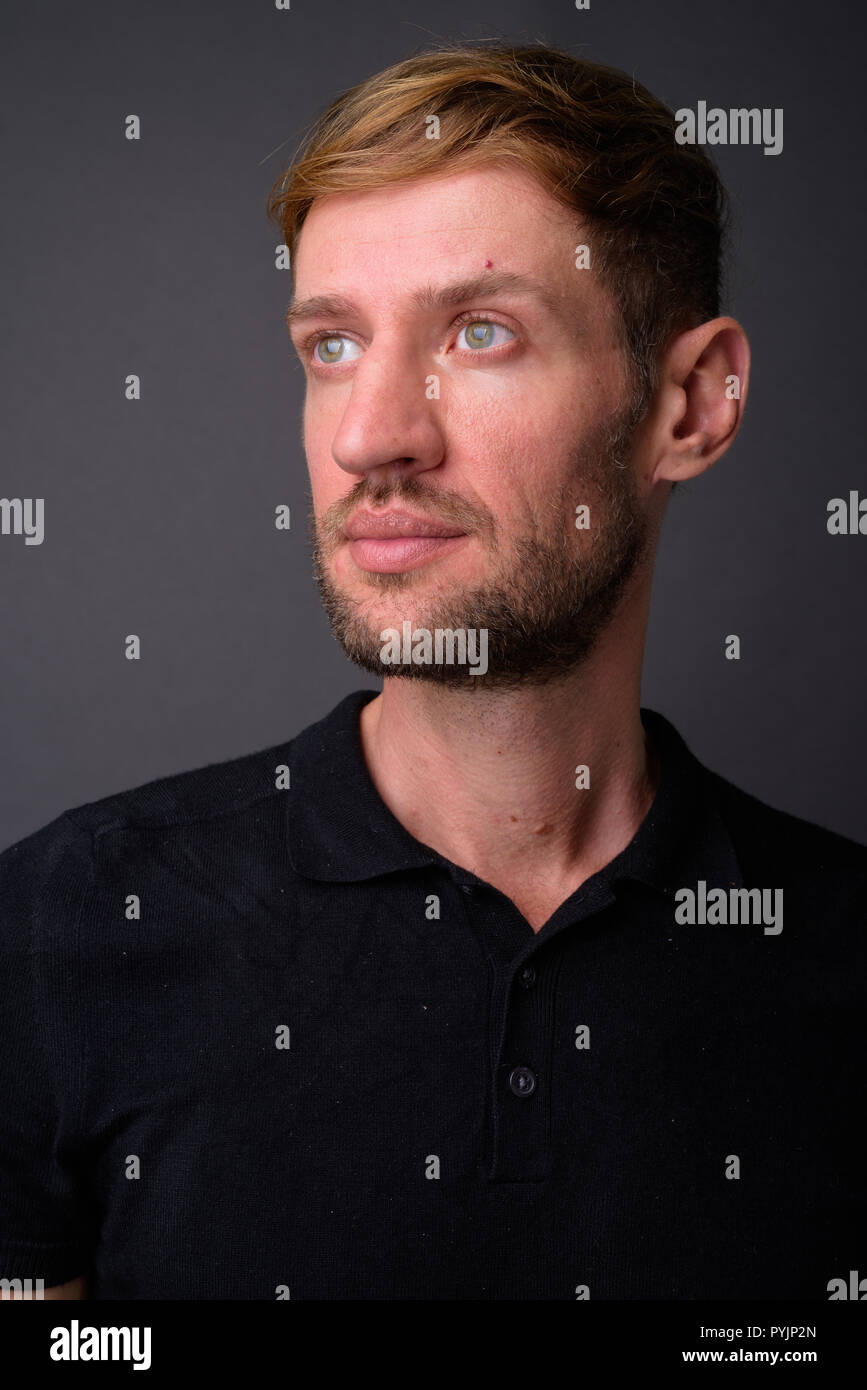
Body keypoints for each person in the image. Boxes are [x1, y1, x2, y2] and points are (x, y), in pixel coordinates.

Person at [1, 42, 864, 1302]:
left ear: (690, 404)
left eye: (479, 331)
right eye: (333, 345)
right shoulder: (59, 929)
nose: (371, 436)